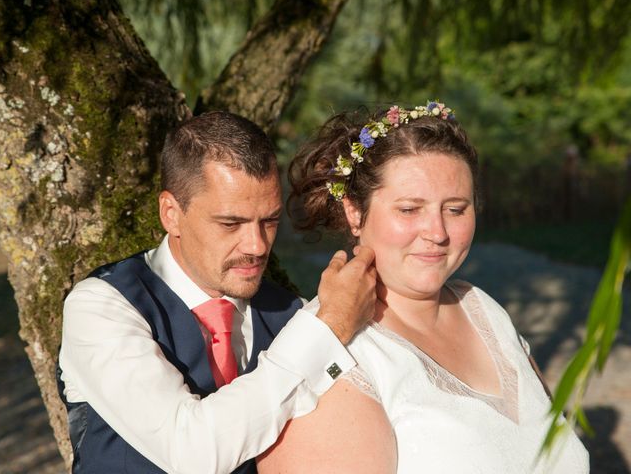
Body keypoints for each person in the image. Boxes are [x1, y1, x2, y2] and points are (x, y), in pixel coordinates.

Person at [258, 103, 589, 473]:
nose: (437, 233)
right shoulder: (340, 355)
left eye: (456, 209)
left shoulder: (483, 309)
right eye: (410, 209)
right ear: (354, 212)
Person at [57, 111, 377, 474]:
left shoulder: (292, 315)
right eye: (231, 223)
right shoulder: (100, 307)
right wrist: (329, 328)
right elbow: (191, 452)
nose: (257, 246)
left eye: (269, 221)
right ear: (171, 213)